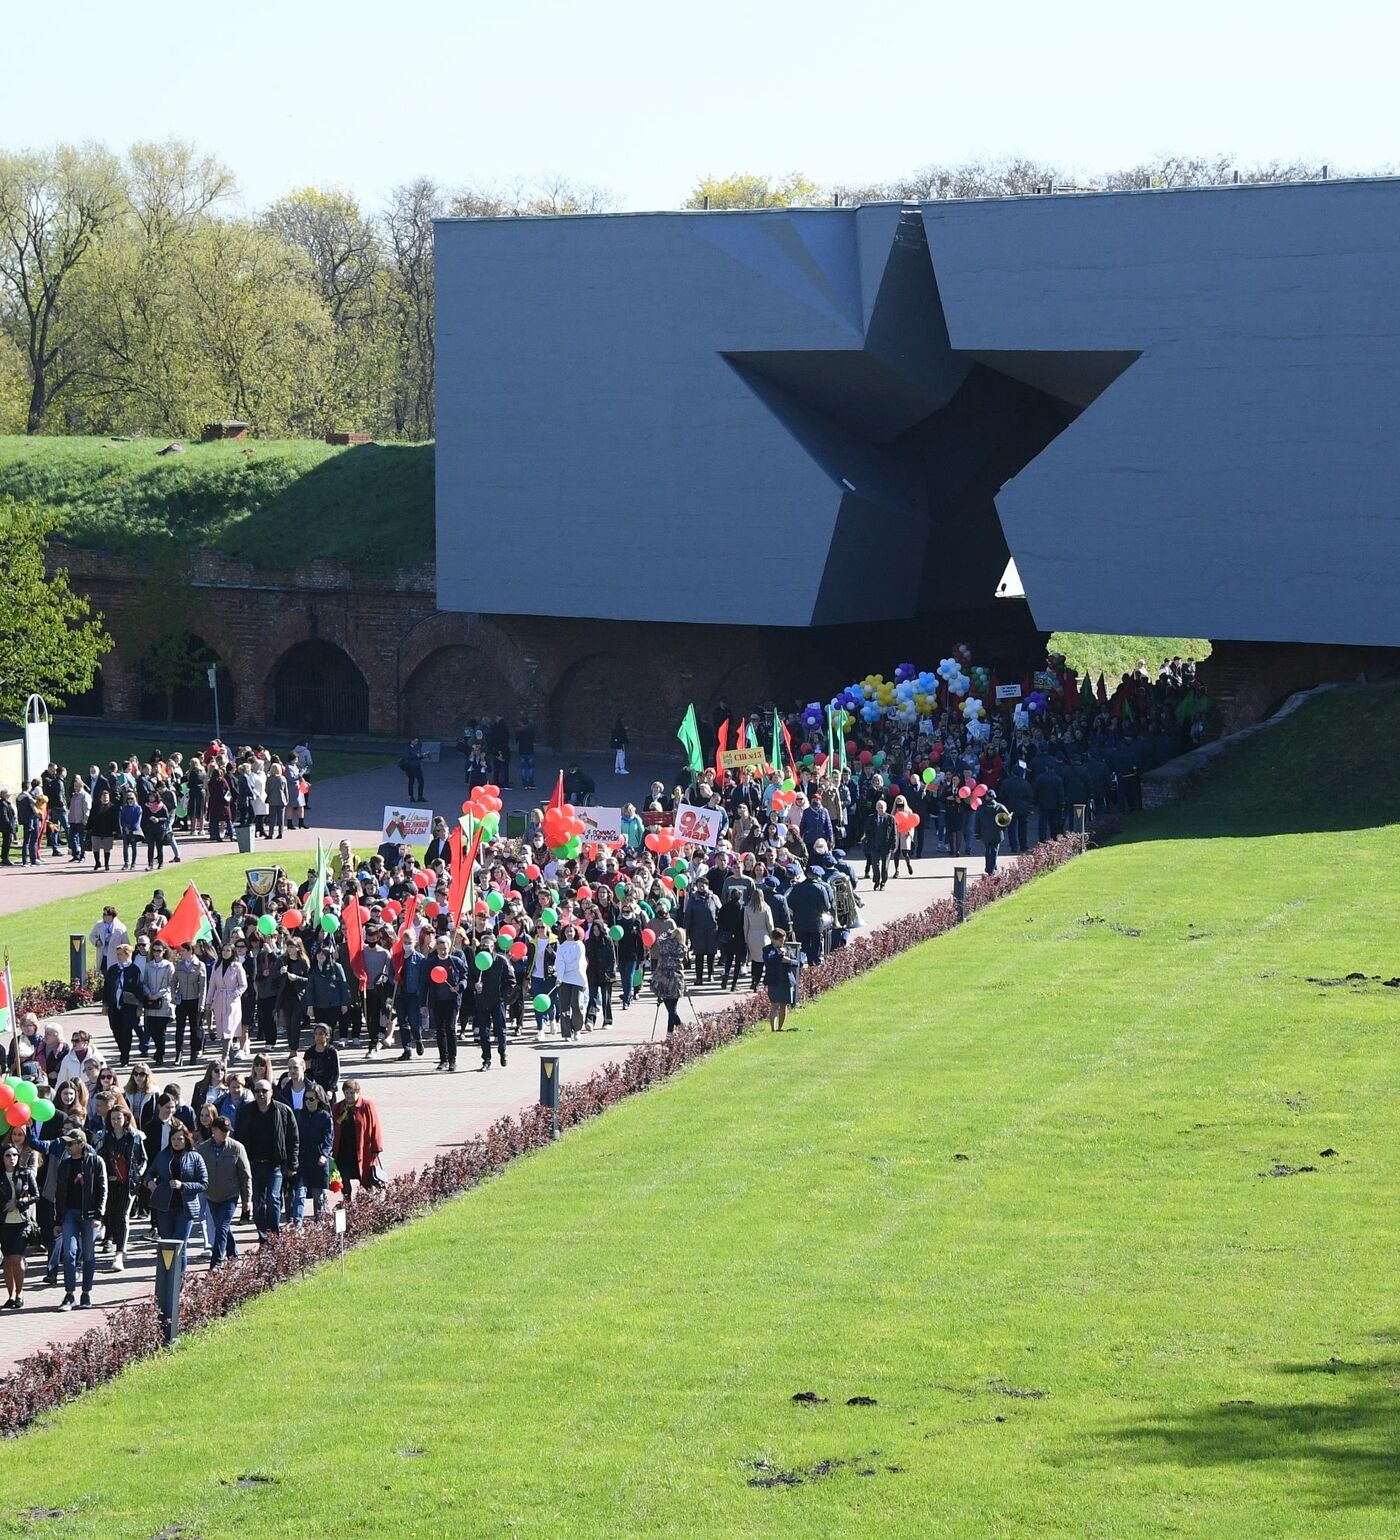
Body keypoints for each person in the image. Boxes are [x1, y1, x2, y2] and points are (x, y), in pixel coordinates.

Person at [46, 1128, 107, 1311]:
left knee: (88, 1255)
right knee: (69, 1253)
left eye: (71, 1143)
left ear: (81, 1143)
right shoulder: (64, 1165)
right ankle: (69, 1294)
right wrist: (58, 1221)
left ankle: (86, 1293)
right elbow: (59, 1193)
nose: (68, 1146)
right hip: (70, 1214)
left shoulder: (95, 1162)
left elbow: (103, 1189)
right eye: (67, 1143)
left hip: (89, 1216)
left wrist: (98, 1215)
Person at [234, 1078, 298, 1244]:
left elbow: (293, 1139)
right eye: (257, 1091)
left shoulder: (283, 1111)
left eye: (264, 1091)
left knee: (273, 1199)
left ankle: (274, 1236)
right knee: (258, 1204)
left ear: (272, 1092)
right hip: (253, 1165)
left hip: (275, 1165)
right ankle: (263, 1237)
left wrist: (292, 1164)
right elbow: (239, 1139)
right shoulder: (246, 1111)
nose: (261, 1094)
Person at [94, 1103, 146, 1273]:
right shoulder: (104, 1137)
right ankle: (115, 1243)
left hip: (127, 1184)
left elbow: (142, 1159)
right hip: (109, 1183)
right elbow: (97, 1158)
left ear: (125, 1119)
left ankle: (119, 1253)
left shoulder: (134, 1137)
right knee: (111, 1215)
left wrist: (137, 1174)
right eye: (113, 1118)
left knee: (123, 1215)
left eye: (119, 1118)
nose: (116, 1121)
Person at [197, 1115, 251, 1267]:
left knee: (221, 1227)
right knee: (223, 1228)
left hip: (230, 1196)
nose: (226, 1133)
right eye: (223, 1131)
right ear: (214, 1130)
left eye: (228, 1130)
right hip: (212, 1196)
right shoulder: (203, 1149)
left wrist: (247, 1200)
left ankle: (216, 1263)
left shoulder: (236, 1148)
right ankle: (233, 1254)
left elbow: (245, 1176)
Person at [147, 1121, 207, 1247]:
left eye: (180, 1139)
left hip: (186, 1208)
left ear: (186, 1139)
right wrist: (150, 1182)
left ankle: (180, 1268)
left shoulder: (195, 1157)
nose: (176, 1142)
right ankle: (168, 1268)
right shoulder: (162, 1155)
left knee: (180, 1246)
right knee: (167, 1245)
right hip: (164, 1207)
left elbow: (203, 1183)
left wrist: (183, 1185)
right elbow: (150, 1173)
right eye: (173, 1139)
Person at [332, 1079, 384, 1203]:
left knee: (365, 1180)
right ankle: (347, 1203)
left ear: (358, 1093)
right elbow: (333, 1128)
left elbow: (375, 1126)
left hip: (362, 1150)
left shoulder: (366, 1105)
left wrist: (377, 1147)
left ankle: (365, 1204)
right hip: (344, 1151)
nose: (349, 1096)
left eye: (352, 1093)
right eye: (347, 1093)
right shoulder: (337, 1107)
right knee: (344, 1179)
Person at [0, 1142, 38, 1308]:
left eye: (14, 1155)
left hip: (21, 1222)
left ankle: (19, 1294)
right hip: (3, 1224)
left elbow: (35, 1195)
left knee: (18, 1258)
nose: (12, 1158)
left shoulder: (25, 1173)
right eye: (8, 1155)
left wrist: (19, 1203)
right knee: (7, 1260)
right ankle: (10, 1295)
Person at [291, 1082, 334, 1223]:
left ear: (318, 1100)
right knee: (299, 1193)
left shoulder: (324, 1116)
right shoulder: (299, 1114)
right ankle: (297, 1225)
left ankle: (319, 1223)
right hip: (302, 1158)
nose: (308, 1102)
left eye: (311, 1099)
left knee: (318, 1195)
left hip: (318, 1159)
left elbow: (329, 1138)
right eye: (306, 1099)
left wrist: (324, 1155)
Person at [426, 935, 467, 1070]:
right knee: (440, 1030)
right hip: (437, 1001)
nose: (443, 951)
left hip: (452, 1001)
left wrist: (459, 986)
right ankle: (443, 1059)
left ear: (449, 948)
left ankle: (452, 1060)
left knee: (450, 1029)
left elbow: (464, 977)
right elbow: (424, 983)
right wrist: (423, 1004)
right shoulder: (431, 963)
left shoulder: (455, 961)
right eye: (440, 948)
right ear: (437, 948)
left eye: (445, 948)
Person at [472, 947, 513, 1069]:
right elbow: (470, 978)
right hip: (482, 1001)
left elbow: (511, 981)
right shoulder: (477, 960)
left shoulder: (501, 960)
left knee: (500, 1030)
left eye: (488, 945)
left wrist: (503, 996)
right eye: (483, 945)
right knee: (484, 1032)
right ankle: (486, 1060)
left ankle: (502, 1051)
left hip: (497, 1001)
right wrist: (475, 985)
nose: (486, 948)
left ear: (493, 946)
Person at [207, 942, 248, 1065]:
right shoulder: (216, 965)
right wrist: (209, 1002)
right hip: (219, 1000)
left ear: (232, 952)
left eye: (228, 950)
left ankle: (224, 1057)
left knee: (228, 1029)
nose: (225, 952)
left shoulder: (237, 966)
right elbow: (212, 985)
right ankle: (231, 1055)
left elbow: (243, 985)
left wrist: (234, 994)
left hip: (232, 1002)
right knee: (223, 1029)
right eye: (224, 950)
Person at [649, 919, 688, 1034]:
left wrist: (667, 934)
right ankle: (677, 1029)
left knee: (670, 1008)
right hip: (676, 979)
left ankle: (673, 1031)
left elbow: (659, 940)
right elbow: (685, 960)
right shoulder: (682, 948)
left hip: (663, 978)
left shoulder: (664, 944)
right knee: (672, 1008)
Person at [761, 928, 800, 1031]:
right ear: (773, 939)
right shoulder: (767, 949)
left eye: (783, 940)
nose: (782, 943)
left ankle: (780, 1028)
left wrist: (789, 960)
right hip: (774, 980)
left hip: (786, 980)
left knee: (784, 1004)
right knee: (774, 1004)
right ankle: (773, 1029)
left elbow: (797, 963)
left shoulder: (787, 948)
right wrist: (780, 956)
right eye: (780, 940)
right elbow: (769, 960)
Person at [554, 924, 588, 1040]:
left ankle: (577, 1029)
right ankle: (566, 1033)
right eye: (567, 931)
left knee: (577, 1005)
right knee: (564, 1007)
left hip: (578, 979)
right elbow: (560, 963)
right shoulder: (562, 947)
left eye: (571, 931)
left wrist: (567, 968)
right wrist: (560, 976)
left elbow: (578, 963)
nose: (569, 933)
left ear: (575, 933)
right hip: (564, 980)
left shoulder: (579, 945)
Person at [742, 887, 774, 991]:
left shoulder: (747, 908)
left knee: (754, 960)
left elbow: (745, 925)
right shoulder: (766, 908)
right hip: (763, 935)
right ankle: (758, 981)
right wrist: (772, 936)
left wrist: (746, 938)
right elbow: (770, 924)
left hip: (752, 935)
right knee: (762, 960)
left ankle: (753, 980)